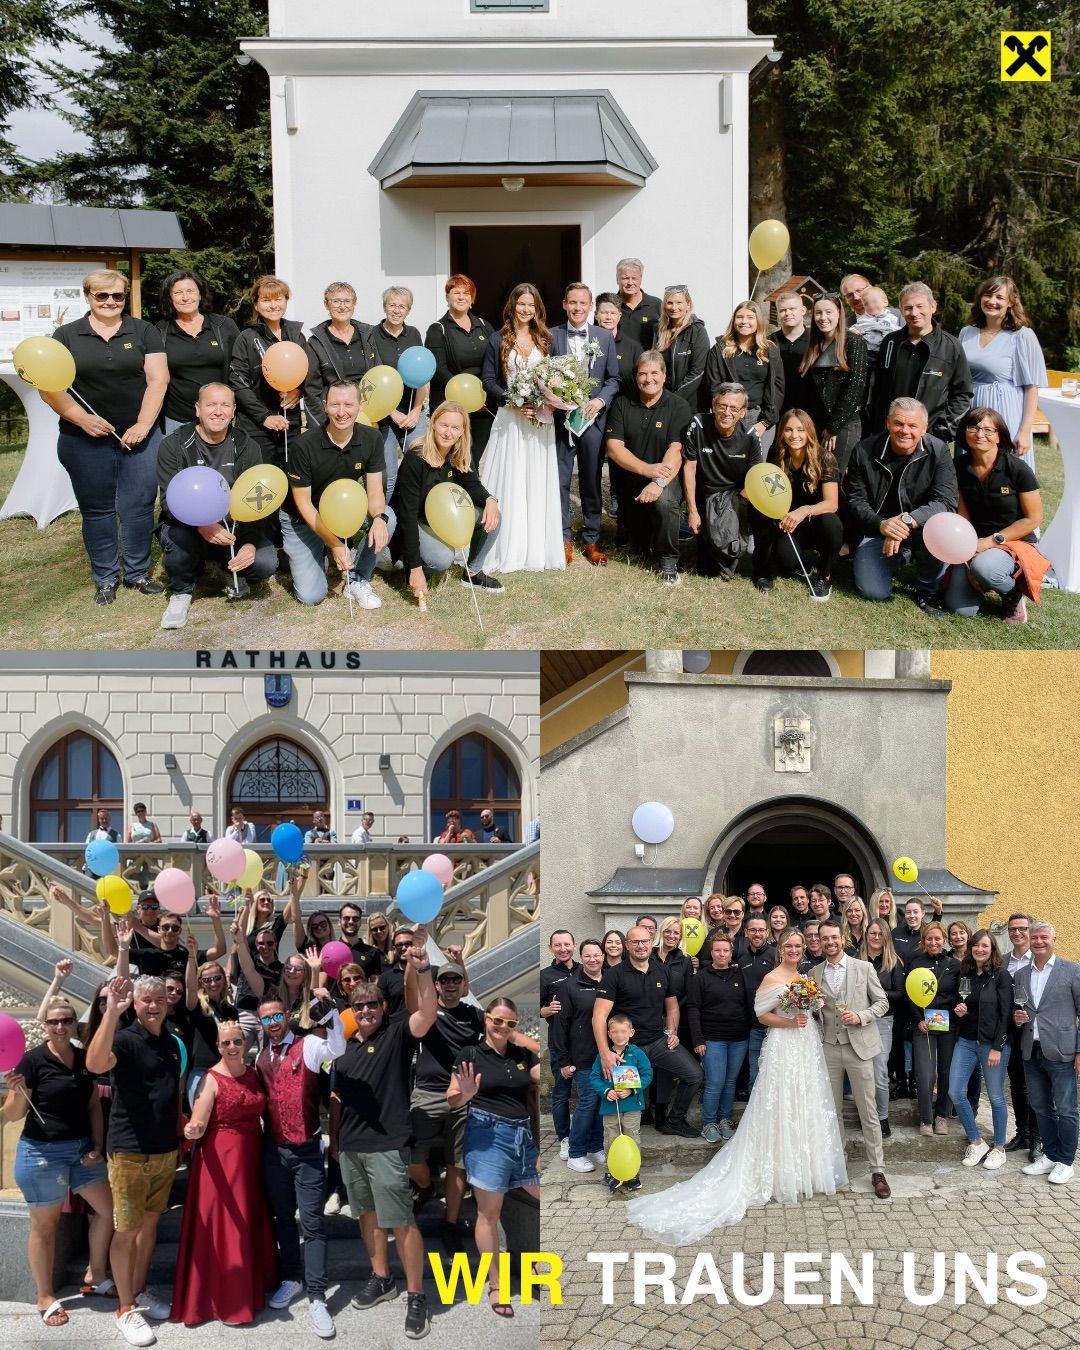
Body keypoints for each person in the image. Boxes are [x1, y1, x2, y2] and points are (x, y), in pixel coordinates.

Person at [626, 928, 847, 1242]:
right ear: (780, 949)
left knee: (805, 1101)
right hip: (784, 1044)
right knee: (780, 1102)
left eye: (799, 946)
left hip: (806, 1045)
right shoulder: (771, 978)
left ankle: (804, 1169)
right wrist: (790, 1020)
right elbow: (761, 1014)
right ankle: (776, 1167)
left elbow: (810, 1009)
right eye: (790, 946)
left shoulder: (807, 976)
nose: (795, 950)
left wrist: (811, 1008)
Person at [330, 937, 437, 1340]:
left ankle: (415, 1294)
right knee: (368, 1218)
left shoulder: (395, 1036)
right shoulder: (342, 1048)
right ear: (352, 1011)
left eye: (373, 1004)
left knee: (402, 1222)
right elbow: (336, 1096)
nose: (367, 1011)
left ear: (384, 1008)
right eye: (359, 1006)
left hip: (388, 1145)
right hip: (352, 1148)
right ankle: (382, 1278)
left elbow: (426, 1012)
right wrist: (336, 1141)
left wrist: (423, 969)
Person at [41, 269, 168, 605]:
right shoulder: (66, 336)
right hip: (84, 440)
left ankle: (138, 573)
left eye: (118, 295)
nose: (111, 302)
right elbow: (49, 386)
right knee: (97, 511)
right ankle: (106, 578)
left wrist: (143, 425)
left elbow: (158, 380)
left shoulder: (144, 331)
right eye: (102, 296)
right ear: (88, 297)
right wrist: (81, 419)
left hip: (139, 438)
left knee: (139, 507)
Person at [3, 999, 114, 1328]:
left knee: (107, 1211)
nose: (61, 1027)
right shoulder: (32, 1060)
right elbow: (13, 1114)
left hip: (81, 1150)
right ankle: (44, 1296)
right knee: (45, 1228)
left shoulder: (84, 1059)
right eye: (53, 1022)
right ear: (45, 1025)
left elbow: (93, 1104)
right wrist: (17, 1092)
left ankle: (96, 1274)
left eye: (66, 1020)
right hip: (40, 1153)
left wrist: (97, 1143)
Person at [86, 976, 182, 1347]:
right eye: (146, 1000)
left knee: (149, 1228)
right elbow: (95, 1064)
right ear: (136, 1005)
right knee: (126, 1232)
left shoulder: (171, 1044)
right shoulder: (124, 1039)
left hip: (163, 1153)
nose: (154, 1005)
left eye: (160, 999)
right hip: (129, 1153)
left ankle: (138, 1291)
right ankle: (125, 1308)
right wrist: (112, 1013)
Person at [170, 1021, 278, 1327]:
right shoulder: (210, 1079)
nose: (231, 1047)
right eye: (225, 1043)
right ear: (217, 1046)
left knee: (249, 1219)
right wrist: (193, 1128)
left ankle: (248, 1288)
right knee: (229, 1225)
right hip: (221, 1160)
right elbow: (200, 1117)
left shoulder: (254, 1072)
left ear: (245, 1044)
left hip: (251, 1157)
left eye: (236, 1042)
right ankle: (229, 1299)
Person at [256, 992, 347, 1338]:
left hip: (307, 1150)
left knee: (312, 1223)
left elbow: (337, 1049)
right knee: (282, 1218)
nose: (273, 1023)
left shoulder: (308, 1045)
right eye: (266, 1018)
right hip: (274, 1151)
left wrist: (331, 1014)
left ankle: (316, 1294)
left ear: (287, 1016)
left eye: (277, 1016)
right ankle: (292, 1277)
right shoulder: (262, 1056)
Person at [157, 383, 279, 628]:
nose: (218, 411)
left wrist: (251, 543)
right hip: (189, 526)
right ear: (198, 409)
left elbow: (257, 502)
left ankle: (228, 567)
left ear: (234, 411)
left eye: (225, 405)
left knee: (266, 563)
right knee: (176, 538)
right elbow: (169, 502)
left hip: (235, 526)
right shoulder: (173, 446)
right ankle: (181, 592)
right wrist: (203, 526)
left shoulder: (248, 446)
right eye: (211, 404)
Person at [448, 996, 541, 1317]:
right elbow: (451, 1098)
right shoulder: (471, 1054)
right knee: (489, 1213)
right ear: (485, 1018)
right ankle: (497, 1284)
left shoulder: (520, 1054)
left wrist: (517, 1037)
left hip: (523, 1137)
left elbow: (549, 1063)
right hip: (487, 1135)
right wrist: (465, 1094)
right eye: (496, 1020)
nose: (501, 1027)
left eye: (510, 1022)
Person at [283, 380, 394, 609]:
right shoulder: (303, 445)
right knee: (311, 596)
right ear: (325, 406)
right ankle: (321, 551)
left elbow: (374, 491)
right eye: (335, 405)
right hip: (304, 518)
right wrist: (334, 543)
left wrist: (379, 519)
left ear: (360, 406)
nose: (341, 412)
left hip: (343, 510)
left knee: (387, 518)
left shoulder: (372, 438)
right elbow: (303, 504)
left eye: (348, 405)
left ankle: (357, 578)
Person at [478, 283, 564, 573]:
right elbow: (488, 380)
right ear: (512, 306)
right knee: (510, 478)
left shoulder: (546, 339)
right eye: (521, 304)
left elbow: (557, 378)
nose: (526, 309)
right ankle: (504, 546)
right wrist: (512, 401)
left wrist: (549, 400)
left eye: (531, 305)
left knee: (536, 478)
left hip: (540, 421)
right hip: (511, 419)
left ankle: (536, 548)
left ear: (537, 308)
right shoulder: (497, 339)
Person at [846, 397, 959, 609]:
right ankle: (899, 556)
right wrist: (882, 524)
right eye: (898, 423)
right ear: (888, 423)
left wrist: (907, 521)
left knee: (944, 532)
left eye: (912, 425)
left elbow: (946, 502)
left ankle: (927, 588)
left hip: (921, 529)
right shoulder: (864, 450)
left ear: (925, 428)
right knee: (874, 592)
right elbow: (855, 500)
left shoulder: (939, 451)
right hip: (876, 529)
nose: (904, 430)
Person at [593, 924, 703, 1138]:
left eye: (644, 941)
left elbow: (672, 1007)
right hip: (628, 1048)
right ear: (627, 945)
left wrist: (672, 1032)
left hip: (657, 1042)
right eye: (635, 942)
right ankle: (623, 1139)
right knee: (626, 1096)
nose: (641, 946)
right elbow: (598, 1017)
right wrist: (606, 1052)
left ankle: (674, 1120)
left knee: (695, 1075)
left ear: (651, 943)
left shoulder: (662, 971)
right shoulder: (614, 975)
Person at [389, 400, 503, 601]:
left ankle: (473, 574)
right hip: (415, 522)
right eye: (444, 425)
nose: (448, 432)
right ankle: (409, 563)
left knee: (493, 515)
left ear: (462, 431)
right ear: (433, 424)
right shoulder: (415, 459)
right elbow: (406, 517)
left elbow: (473, 487)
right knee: (442, 560)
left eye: (455, 427)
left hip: (441, 520)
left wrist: (491, 500)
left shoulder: (458, 454)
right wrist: (415, 568)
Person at [811, 920, 892, 1198]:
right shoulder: (814, 972)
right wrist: (811, 1008)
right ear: (819, 942)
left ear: (842, 938)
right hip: (828, 1048)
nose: (830, 942)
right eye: (824, 939)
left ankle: (877, 1170)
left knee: (868, 1111)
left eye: (834, 937)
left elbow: (882, 1003)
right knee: (832, 1112)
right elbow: (813, 1012)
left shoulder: (863, 967)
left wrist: (861, 1016)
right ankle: (838, 1165)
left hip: (859, 1047)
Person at [944, 406, 1045, 623]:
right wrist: (967, 548)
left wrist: (991, 541)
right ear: (964, 432)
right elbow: (963, 515)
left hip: (1013, 541)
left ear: (1000, 436)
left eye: (989, 430)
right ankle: (985, 580)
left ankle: (1012, 594)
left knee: (985, 567)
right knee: (960, 609)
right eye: (973, 427)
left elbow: (1033, 519)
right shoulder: (958, 467)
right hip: (975, 542)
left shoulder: (1018, 469)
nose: (980, 434)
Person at [409, 959, 486, 1238]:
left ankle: (450, 1224)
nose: (451, 985)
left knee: (458, 1164)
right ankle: (426, 1187)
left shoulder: (475, 1015)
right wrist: (416, 967)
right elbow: (414, 993)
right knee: (411, 1156)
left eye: (456, 980)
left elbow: (499, 1038)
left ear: (462, 984)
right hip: (428, 1093)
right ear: (437, 985)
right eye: (445, 981)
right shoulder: (428, 1014)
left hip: (463, 1096)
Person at [605, 350, 692, 585]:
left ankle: (669, 558)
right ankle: (645, 537)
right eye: (642, 374)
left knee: (663, 502)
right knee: (640, 548)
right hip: (634, 478)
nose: (648, 379)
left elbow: (677, 450)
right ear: (636, 377)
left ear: (664, 376)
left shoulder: (679, 406)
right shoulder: (623, 404)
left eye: (654, 373)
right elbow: (614, 448)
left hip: (666, 477)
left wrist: (658, 482)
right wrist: (646, 470)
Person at [550, 282, 620, 566]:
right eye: (572, 303)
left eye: (583, 303)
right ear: (565, 304)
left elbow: (614, 379)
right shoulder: (551, 336)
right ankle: (563, 537)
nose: (578, 308)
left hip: (592, 421)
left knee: (591, 480)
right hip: (560, 422)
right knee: (560, 481)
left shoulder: (603, 337)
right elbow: (543, 377)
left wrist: (599, 401)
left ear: (591, 306)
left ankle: (591, 540)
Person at [681, 384, 769, 583]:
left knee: (760, 517)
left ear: (743, 412)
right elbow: (689, 468)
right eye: (722, 406)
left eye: (734, 408)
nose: (727, 412)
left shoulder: (751, 437)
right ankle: (721, 550)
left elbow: (755, 480)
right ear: (713, 404)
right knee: (706, 570)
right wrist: (693, 511)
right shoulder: (698, 424)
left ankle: (762, 570)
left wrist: (733, 512)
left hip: (736, 497)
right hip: (705, 495)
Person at [1015, 922, 1080, 1185]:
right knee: (1041, 1106)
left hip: (1063, 1051)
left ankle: (1066, 1161)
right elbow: (1018, 1012)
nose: (1039, 941)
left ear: (1054, 938)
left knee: (1066, 1109)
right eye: (1035, 938)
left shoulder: (1072, 970)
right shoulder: (1020, 975)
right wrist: (1017, 1018)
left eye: (1044, 937)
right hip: (1032, 1050)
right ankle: (1050, 1155)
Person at [229, 274, 317, 468]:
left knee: (292, 480)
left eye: (278, 299)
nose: (273, 305)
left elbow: (309, 371)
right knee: (262, 483)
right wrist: (264, 417)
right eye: (266, 300)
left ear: (286, 301)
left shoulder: (296, 335)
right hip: (256, 426)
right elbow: (238, 382)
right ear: (256, 304)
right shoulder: (246, 338)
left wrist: (299, 391)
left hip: (289, 424)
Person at [959, 275, 1047, 466]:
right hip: (971, 411)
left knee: (1005, 473)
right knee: (970, 473)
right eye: (988, 295)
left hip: (1005, 412)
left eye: (999, 297)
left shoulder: (1022, 336)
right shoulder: (967, 332)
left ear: (1010, 303)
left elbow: (1032, 387)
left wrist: (1024, 430)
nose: (992, 301)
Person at [754, 408, 841, 599]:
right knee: (785, 562)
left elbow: (832, 504)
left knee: (831, 521)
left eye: (801, 430)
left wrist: (804, 510)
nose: (795, 435)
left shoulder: (825, 457)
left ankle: (824, 576)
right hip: (789, 523)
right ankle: (799, 561)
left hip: (817, 523)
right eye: (788, 429)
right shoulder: (776, 453)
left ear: (809, 431)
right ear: (781, 432)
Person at [870, 282, 973, 442]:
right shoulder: (891, 342)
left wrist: (942, 431)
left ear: (933, 307)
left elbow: (962, 394)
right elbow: (878, 390)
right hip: (890, 437)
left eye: (920, 306)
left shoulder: (951, 347)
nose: (914, 313)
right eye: (908, 308)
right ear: (901, 310)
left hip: (930, 438)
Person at [948, 930, 1013, 1173]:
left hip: (992, 1045)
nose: (980, 949)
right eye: (976, 945)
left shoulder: (1001, 976)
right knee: (955, 1091)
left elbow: (1006, 1014)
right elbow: (960, 1003)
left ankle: (999, 1149)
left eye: (985, 946)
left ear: (992, 948)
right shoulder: (965, 974)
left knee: (996, 1097)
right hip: (965, 1041)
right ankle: (976, 1142)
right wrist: (959, 1010)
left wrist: (998, 1046)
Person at [155, 270, 239, 435]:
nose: (185, 297)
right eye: (178, 293)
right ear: (170, 299)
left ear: (200, 294)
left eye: (190, 291)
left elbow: (241, 370)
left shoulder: (224, 326)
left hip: (218, 418)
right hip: (176, 420)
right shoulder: (160, 331)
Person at [687, 933, 752, 1143]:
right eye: (717, 950)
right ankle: (709, 1123)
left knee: (730, 1082)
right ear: (711, 953)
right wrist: (698, 1040)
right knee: (715, 1081)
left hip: (739, 1038)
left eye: (725, 950)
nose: (722, 954)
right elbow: (693, 1009)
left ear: (731, 953)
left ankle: (724, 1120)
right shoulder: (701, 978)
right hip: (712, 1039)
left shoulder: (740, 975)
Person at [424, 274, 497, 457]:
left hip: (482, 406)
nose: (461, 297)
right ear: (447, 297)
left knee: (474, 457)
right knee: (451, 456)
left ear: (472, 299)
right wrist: (465, 394)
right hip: (451, 406)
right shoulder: (437, 329)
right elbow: (438, 369)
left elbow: (496, 360)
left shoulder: (484, 325)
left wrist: (485, 393)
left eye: (466, 293)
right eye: (455, 292)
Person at [551, 940, 607, 1173]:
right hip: (582, 1056)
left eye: (596, 954)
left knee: (599, 1102)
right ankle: (575, 1152)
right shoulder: (570, 985)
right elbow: (560, 1025)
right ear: (580, 957)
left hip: (606, 1053)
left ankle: (595, 1147)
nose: (592, 959)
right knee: (588, 1102)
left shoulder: (611, 980)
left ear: (603, 956)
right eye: (587, 955)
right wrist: (563, 1060)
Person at [798, 293, 869, 474]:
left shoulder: (854, 342)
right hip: (817, 424)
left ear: (839, 313)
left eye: (828, 312)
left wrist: (833, 428)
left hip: (842, 426)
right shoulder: (814, 344)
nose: (823, 318)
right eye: (818, 313)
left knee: (833, 478)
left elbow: (855, 388)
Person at [369, 286, 428, 498]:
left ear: (408, 310)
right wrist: (392, 412)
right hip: (383, 416)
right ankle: (386, 523)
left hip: (412, 412)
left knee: (422, 467)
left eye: (402, 306)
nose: (396, 310)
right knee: (388, 477)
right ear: (384, 307)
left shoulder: (414, 334)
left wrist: (415, 411)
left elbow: (422, 377)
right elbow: (371, 379)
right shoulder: (371, 335)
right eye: (392, 305)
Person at [702, 301, 785, 450]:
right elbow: (713, 386)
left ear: (758, 321)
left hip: (760, 418)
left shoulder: (770, 350)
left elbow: (777, 387)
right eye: (739, 317)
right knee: (731, 467)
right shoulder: (720, 349)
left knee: (757, 469)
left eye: (750, 317)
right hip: (729, 415)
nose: (744, 321)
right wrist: (724, 416)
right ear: (734, 320)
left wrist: (766, 422)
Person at [587, 1011, 652, 1194]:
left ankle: (632, 1173)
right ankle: (612, 1172)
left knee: (632, 1136)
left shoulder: (637, 1054)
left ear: (631, 1032)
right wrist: (606, 1091)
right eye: (615, 1032)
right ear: (609, 1034)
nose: (619, 1036)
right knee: (611, 1138)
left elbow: (647, 1075)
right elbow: (595, 1077)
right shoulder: (603, 1056)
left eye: (623, 1031)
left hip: (632, 1105)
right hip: (610, 1106)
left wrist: (632, 1090)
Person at [908, 921, 960, 1135]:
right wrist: (918, 1018)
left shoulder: (954, 965)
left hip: (948, 1024)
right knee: (925, 1072)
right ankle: (926, 1119)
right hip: (923, 1025)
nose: (933, 942)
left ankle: (941, 1116)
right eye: (929, 939)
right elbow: (910, 994)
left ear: (944, 940)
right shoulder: (916, 963)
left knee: (946, 1071)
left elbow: (959, 994)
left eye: (937, 938)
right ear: (923, 941)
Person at [304, 282, 381, 419]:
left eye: (347, 301)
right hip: (336, 417)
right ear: (326, 304)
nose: (342, 306)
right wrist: (321, 428)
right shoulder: (316, 342)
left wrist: (378, 418)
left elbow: (378, 375)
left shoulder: (368, 336)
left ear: (354, 305)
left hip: (368, 415)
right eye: (336, 301)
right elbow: (312, 392)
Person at [860, 920, 905, 1138]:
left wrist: (877, 994)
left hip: (882, 1022)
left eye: (880, 933)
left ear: (886, 936)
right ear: (866, 935)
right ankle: (867, 1117)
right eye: (872, 933)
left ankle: (882, 1117)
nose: (876, 937)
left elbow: (900, 994)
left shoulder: (894, 962)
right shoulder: (855, 960)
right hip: (858, 1022)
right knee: (862, 1074)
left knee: (879, 1073)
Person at [541, 929, 581, 1160]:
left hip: (584, 1043)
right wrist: (547, 1009)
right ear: (551, 948)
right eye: (558, 945)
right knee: (561, 1094)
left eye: (567, 944)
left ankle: (591, 1138)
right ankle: (564, 1138)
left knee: (588, 1092)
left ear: (574, 946)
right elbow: (531, 1011)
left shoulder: (584, 969)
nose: (563, 948)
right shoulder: (544, 975)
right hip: (559, 1043)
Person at [1004, 913, 1038, 1159]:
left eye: (1022, 928)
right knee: (1017, 1085)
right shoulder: (1003, 961)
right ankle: (1022, 1133)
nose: (1017, 933)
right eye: (1012, 929)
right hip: (1011, 1032)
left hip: (1034, 1033)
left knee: (1035, 1086)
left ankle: (1038, 1139)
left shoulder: (1038, 959)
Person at [656, 284, 709, 411]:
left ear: (688, 305)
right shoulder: (659, 331)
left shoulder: (698, 331)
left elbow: (698, 372)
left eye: (679, 302)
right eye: (669, 303)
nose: (674, 307)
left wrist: (674, 399)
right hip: (662, 402)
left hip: (690, 405)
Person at [739, 917, 777, 1087]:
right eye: (753, 930)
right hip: (754, 1027)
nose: (757, 934)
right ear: (746, 933)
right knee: (755, 1075)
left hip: (775, 1027)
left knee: (776, 1073)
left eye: (761, 930)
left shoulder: (776, 956)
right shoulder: (742, 959)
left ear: (767, 932)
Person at [594, 291, 644, 398]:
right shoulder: (587, 343)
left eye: (613, 313)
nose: (608, 317)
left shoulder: (633, 347)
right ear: (596, 315)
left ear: (619, 316)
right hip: (593, 408)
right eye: (604, 313)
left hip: (625, 407)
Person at [773, 290, 809, 414]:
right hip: (779, 409)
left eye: (792, 308)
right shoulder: (770, 342)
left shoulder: (816, 340)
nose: (787, 313)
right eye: (782, 310)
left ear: (803, 310)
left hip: (811, 408)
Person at [615, 257, 662, 349]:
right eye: (625, 278)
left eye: (634, 278)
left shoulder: (656, 305)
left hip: (648, 362)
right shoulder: (609, 306)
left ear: (641, 279)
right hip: (617, 362)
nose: (630, 282)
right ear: (617, 279)